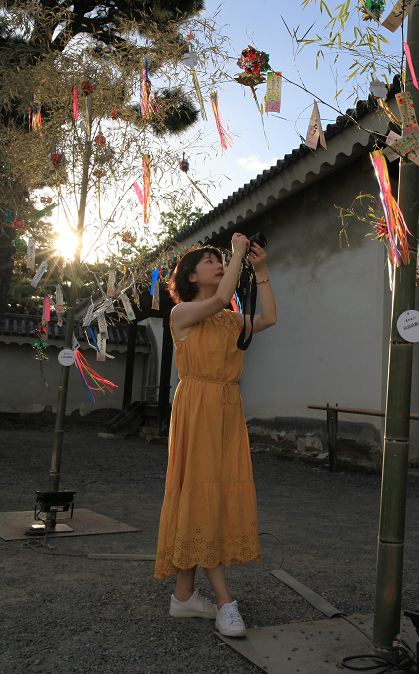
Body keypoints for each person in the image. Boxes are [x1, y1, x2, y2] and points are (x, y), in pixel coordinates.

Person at [154, 233, 277, 637]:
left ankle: (184, 596)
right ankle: (225, 601)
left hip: (226, 407)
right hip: (197, 406)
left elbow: (268, 319)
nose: (218, 263)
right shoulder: (182, 313)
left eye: (219, 258)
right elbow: (223, 296)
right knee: (202, 492)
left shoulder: (227, 319)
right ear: (191, 276)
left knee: (208, 492)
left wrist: (260, 272)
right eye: (209, 260)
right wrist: (238, 253)